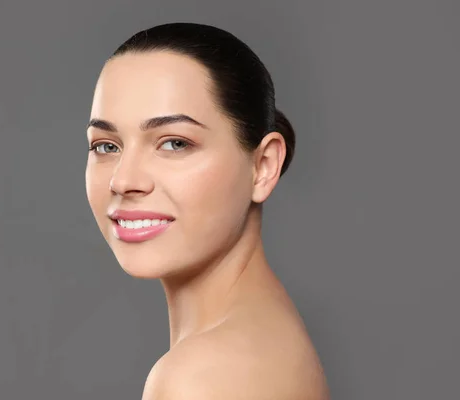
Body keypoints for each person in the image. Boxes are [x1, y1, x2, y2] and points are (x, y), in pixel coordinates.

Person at [85, 22, 330, 399]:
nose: (123, 180)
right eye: (106, 146)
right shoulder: (266, 334)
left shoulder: (202, 378)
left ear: (263, 166)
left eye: (175, 143)